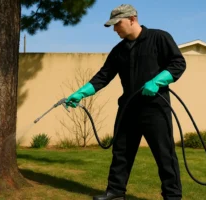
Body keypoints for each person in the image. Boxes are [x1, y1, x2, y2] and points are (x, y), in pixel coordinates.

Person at [65, 4, 186, 200]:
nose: (115, 29)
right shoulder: (119, 50)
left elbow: (178, 63)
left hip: (155, 108)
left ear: (132, 19)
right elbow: (103, 76)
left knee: (164, 154)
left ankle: (172, 196)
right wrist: (80, 93)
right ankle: (115, 191)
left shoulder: (159, 38)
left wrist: (158, 81)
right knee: (121, 152)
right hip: (128, 109)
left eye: (117, 24)